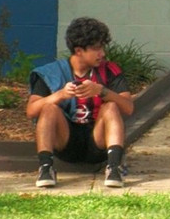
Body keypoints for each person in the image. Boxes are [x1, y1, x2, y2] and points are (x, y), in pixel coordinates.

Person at [27, 17, 134, 188]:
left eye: (102, 47)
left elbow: (128, 107)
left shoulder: (110, 70)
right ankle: (46, 168)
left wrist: (102, 91)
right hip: (66, 142)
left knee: (111, 106)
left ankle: (114, 168)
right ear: (78, 51)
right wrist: (60, 95)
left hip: (97, 141)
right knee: (48, 108)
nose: (102, 54)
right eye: (96, 49)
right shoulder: (51, 73)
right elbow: (31, 110)